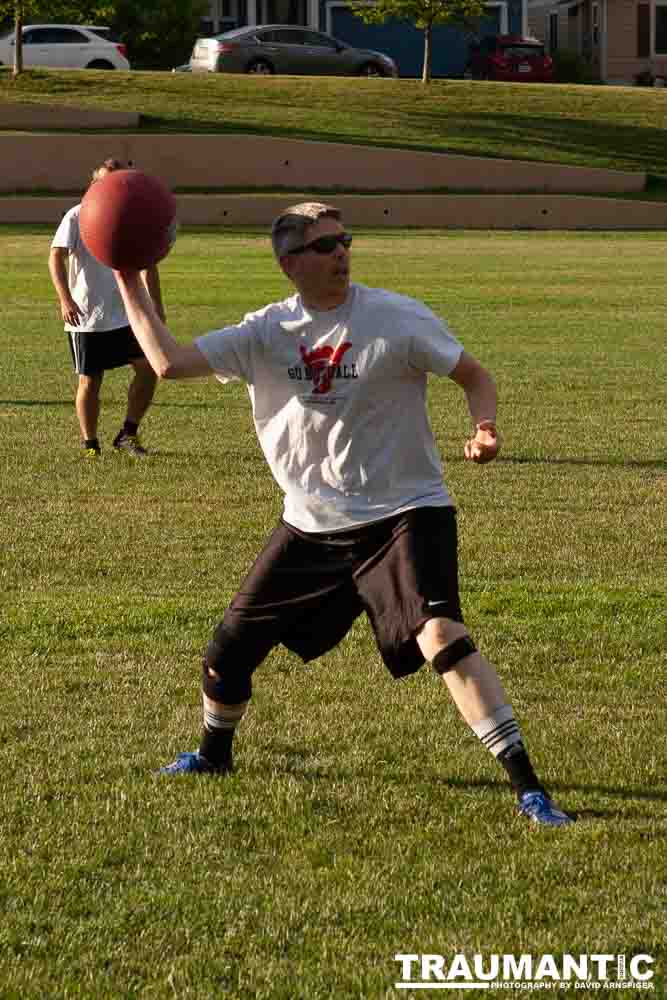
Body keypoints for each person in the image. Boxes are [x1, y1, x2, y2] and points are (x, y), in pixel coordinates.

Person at [113, 201, 575, 827]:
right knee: (226, 653)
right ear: (288, 263)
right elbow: (169, 364)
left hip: (405, 513)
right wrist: (127, 276)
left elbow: (473, 374)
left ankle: (528, 787)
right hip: (311, 523)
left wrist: (485, 426)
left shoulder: (395, 316)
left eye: (345, 241)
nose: (341, 253)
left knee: (441, 636)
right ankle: (213, 754)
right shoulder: (265, 332)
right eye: (325, 245)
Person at [48, 158, 166, 458]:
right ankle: (91, 444)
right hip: (88, 316)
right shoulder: (77, 216)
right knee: (90, 381)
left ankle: (128, 433)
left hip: (127, 313)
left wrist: (156, 308)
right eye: (104, 181)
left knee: (149, 368)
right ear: (94, 183)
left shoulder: (132, 216)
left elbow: (148, 265)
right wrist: (65, 299)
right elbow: (55, 257)